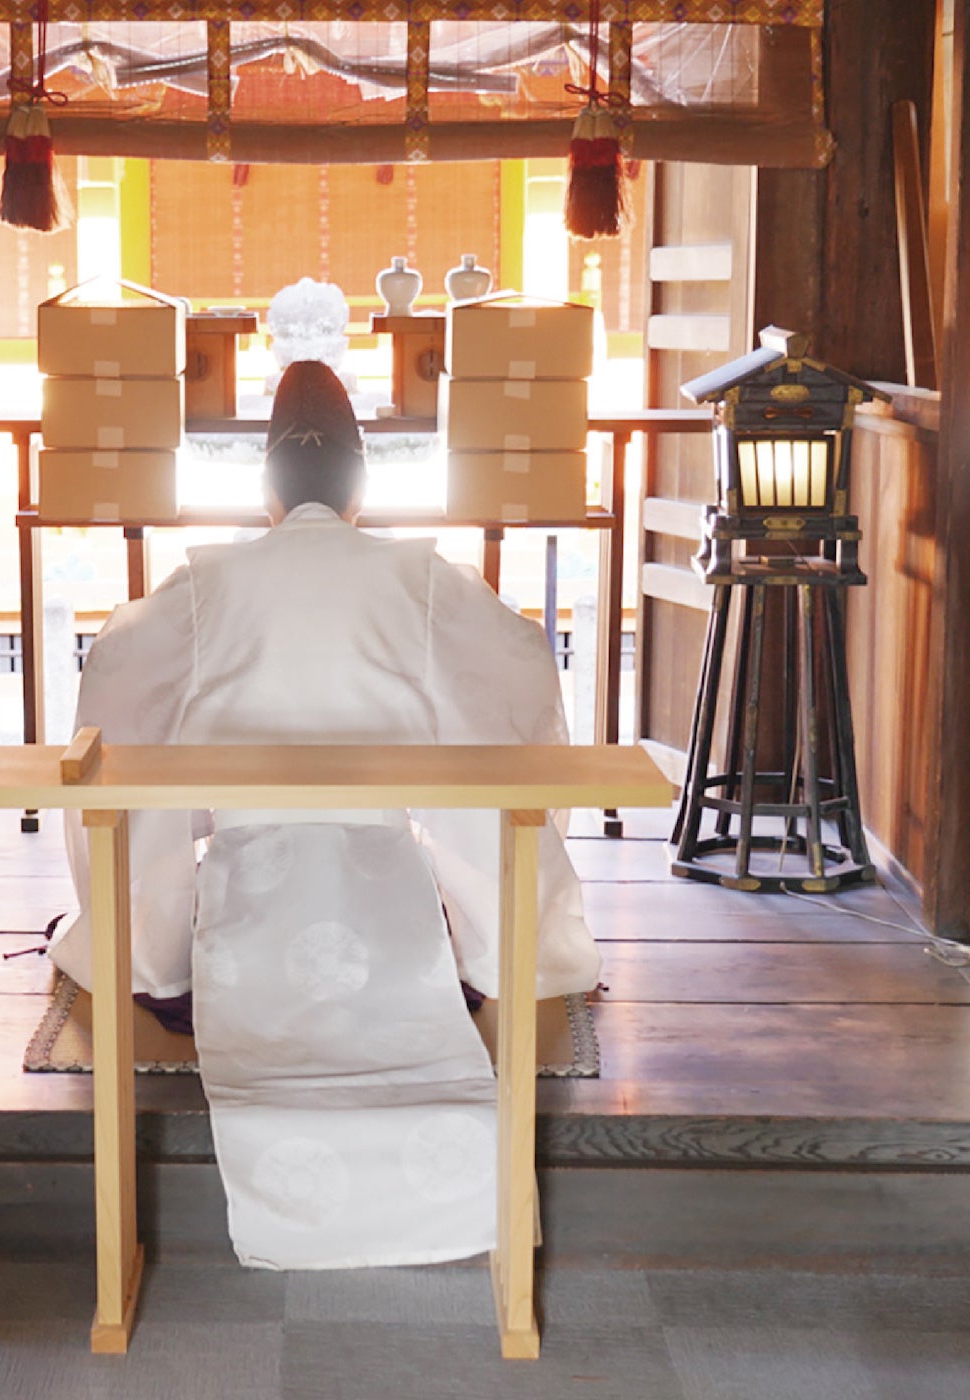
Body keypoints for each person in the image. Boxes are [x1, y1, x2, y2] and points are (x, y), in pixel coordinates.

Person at [48, 360, 596, 1269]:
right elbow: (523, 665)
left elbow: (112, 674)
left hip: (239, 896)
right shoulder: (419, 577)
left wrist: (149, 929)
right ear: (360, 487)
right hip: (393, 906)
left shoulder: (205, 582)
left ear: (266, 490)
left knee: (122, 778)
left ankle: (166, 964)